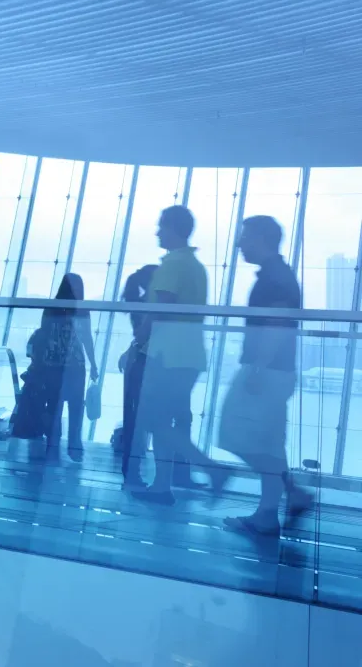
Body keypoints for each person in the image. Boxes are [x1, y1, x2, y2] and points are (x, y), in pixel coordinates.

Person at [218, 216, 315, 535]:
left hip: (267, 371)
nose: (239, 243)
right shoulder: (278, 274)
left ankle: (289, 496)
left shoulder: (275, 277)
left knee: (233, 432)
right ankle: (270, 512)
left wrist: (258, 366)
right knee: (271, 444)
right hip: (278, 371)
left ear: (262, 238)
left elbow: (276, 324)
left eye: (245, 237)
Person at [131, 205, 227, 505]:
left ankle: (209, 468)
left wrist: (138, 341)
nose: (157, 231)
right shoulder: (196, 266)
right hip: (189, 355)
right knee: (162, 420)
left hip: (167, 356)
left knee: (153, 420)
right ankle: (162, 486)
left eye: (161, 226)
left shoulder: (172, 265)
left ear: (173, 228)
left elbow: (161, 309)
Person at [44, 274, 98, 461]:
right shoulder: (82, 309)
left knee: (54, 405)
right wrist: (93, 363)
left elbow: (44, 334)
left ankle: (53, 444)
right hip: (75, 364)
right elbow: (86, 338)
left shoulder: (52, 307)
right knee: (75, 406)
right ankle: (74, 445)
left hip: (53, 364)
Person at [116, 264, 158, 476]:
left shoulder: (139, 305)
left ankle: (130, 470)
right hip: (145, 363)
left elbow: (138, 338)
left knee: (134, 416)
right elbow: (147, 337)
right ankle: (131, 470)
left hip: (138, 361)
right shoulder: (152, 308)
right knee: (143, 418)